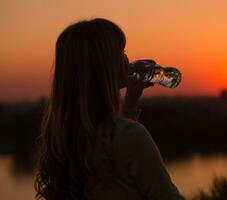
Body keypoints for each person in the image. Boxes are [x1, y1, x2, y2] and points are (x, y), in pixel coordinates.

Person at [34, 18, 185, 200]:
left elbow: (107, 141)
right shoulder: (131, 136)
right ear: (104, 67)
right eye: (121, 52)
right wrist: (127, 122)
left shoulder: (61, 139)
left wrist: (128, 108)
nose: (127, 59)